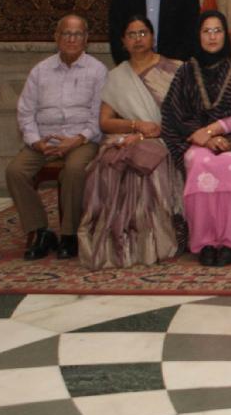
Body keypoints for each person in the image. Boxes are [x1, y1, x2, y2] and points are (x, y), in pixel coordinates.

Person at [78, 15, 182, 270]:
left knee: (146, 164)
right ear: (123, 41)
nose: (138, 39)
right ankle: (118, 241)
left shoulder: (175, 69)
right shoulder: (117, 76)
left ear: (153, 37)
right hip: (130, 136)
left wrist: (148, 134)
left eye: (143, 33)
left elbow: (182, 118)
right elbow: (105, 122)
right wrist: (135, 126)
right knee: (108, 163)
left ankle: (152, 242)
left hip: (164, 138)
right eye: (132, 35)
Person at [5, 14, 108, 260]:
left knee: (74, 170)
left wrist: (78, 139)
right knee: (15, 171)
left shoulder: (98, 70)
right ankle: (40, 231)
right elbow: (25, 112)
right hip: (44, 139)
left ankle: (69, 234)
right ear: (56, 37)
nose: (72, 39)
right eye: (66, 33)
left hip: (81, 140)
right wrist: (35, 141)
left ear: (86, 39)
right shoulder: (40, 71)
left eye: (77, 34)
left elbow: (98, 116)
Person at [161, 11, 231, 267]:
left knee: (229, 163)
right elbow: (174, 113)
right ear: (198, 35)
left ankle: (230, 242)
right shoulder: (186, 71)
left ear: (226, 35)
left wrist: (214, 130)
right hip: (195, 137)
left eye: (217, 31)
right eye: (206, 31)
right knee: (199, 161)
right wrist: (203, 137)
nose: (212, 37)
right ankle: (204, 242)